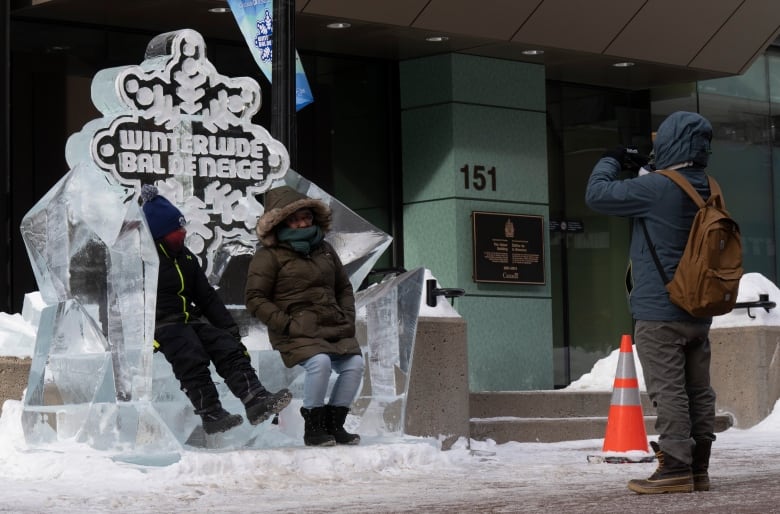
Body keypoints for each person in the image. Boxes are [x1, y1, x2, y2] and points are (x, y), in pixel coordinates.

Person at [585, 111, 717, 494]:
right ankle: (699, 468)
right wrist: (650, 168)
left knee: (669, 390)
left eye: (661, 140)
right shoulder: (709, 185)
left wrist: (612, 158)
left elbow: (597, 194)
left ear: (673, 143)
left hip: (660, 310)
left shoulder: (657, 188)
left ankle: (675, 467)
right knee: (698, 390)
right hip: (698, 306)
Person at [140, 184, 292, 435]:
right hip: (162, 324)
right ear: (160, 234)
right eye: (177, 229)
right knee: (190, 354)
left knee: (226, 345)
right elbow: (127, 302)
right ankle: (211, 413)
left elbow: (206, 296)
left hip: (189, 318)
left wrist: (230, 330)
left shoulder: (185, 258)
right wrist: (147, 338)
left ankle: (255, 399)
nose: (183, 232)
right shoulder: (145, 260)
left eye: (182, 226)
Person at [245, 185, 364, 447]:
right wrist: (287, 324)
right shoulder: (269, 256)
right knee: (319, 362)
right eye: (295, 218)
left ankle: (335, 424)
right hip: (295, 331)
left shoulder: (325, 250)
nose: (303, 223)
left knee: (354, 365)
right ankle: (314, 427)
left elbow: (343, 287)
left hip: (333, 326)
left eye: (307, 217)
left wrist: (347, 316)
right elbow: (255, 298)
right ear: (280, 222)